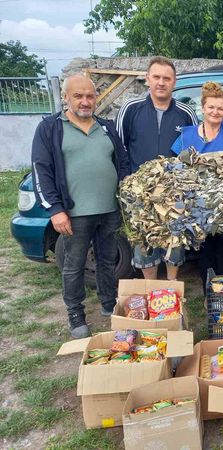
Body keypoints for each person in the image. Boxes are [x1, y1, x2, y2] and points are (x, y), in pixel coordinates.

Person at [31, 74, 130, 338]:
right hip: (74, 213)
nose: (85, 101)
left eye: (90, 96)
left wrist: (126, 193)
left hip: (109, 209)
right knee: (73, 265)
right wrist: (54, 209)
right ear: (66, 97)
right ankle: (76, 316)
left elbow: (123, 162)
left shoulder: (106, 126)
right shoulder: (51, 128)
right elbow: (41, 170)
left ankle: (109, 304)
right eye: (78, 96)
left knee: (107, 261)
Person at [116, 56, 198, 281]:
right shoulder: (130, 110)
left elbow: (193, 153)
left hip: (174, 194)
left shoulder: (186, 113)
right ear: (147, 79)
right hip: (141, 194)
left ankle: (171, 287)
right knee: (145, 244)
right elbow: (119, 150)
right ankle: (150, 287)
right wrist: (126, 185)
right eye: (157, 77)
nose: (161, 82)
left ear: (174, 82)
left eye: (167, 78)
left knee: (175, 242)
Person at [171, 81, 223, 289]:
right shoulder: (187, 134)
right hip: (199, 206)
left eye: (220, 108)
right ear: (203, 108)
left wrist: (206, 159)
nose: (215, 112)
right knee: (204, 252)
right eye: (211, 107)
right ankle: (209, 295)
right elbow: (177, 163)